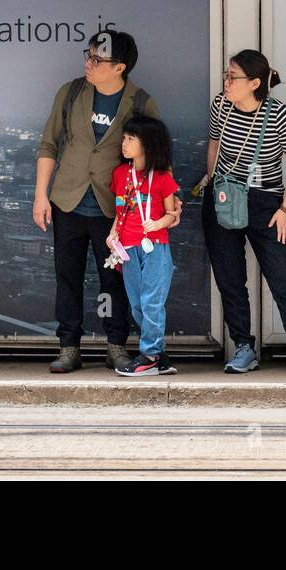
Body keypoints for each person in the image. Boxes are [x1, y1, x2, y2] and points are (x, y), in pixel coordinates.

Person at [33, 30, 177, 375]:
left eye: (98, 59)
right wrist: (41, 195)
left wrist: (167, 204)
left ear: (119, 67)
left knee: (112, 281)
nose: (89, 63)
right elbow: (48, 145)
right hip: (67, 199)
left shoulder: (140, 102)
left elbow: (156, 157)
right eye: (89, 55)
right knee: (67, 276)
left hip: (115, 210)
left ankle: (116, 345)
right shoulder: (70, 94)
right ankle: (69, 346)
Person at [196, 50, 286, 374]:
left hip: (267, 204)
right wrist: (213, 180)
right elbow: (214, 143)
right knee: (230, 277)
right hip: (224, 197)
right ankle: (243, 346)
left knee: (284, 277)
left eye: (233, 77)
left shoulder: (280, 115)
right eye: (226, 76)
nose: (227, 82)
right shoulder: (220, 106)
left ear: (255, 83)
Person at [108, 115, 179, 377]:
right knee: (137, 303)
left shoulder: (161, 177)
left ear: (147, 144)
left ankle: (150, 354)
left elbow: (172, 215)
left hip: (155, 246)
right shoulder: (120, 174)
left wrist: (158, 222)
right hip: (127, 247)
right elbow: (120, 211)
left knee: (152, 301)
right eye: (124, 138)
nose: (124, 144)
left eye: (130, 139)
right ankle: (158, 357)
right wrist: (113, 234)